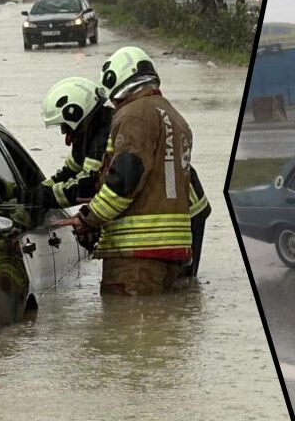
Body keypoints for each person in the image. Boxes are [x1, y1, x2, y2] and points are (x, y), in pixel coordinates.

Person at [61, 46, 196, 295]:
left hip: (135, 254)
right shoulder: (175, 118)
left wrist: (88, 218)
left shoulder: (134, 115)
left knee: (125, 327)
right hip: (173, 252)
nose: (114, 104)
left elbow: (124, 180)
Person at [38, 77, 113, 211]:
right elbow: (69, 173)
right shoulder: (90, 133)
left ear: (77, 116)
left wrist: (39, 197)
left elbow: (88, 184)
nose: (64, 133)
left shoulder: (107, 135)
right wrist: (32, 189)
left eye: (65, 126)